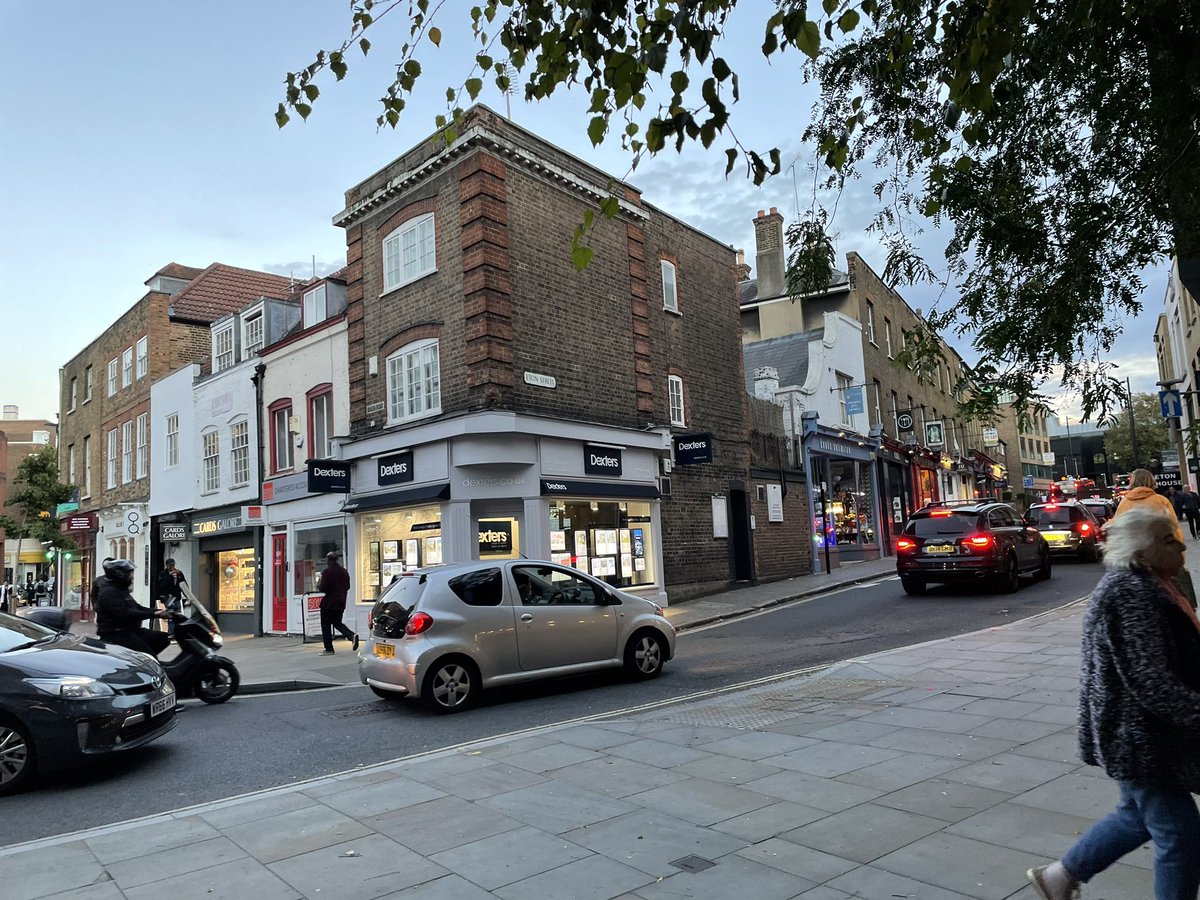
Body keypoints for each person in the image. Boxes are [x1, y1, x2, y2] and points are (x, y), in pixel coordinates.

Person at [1025, 509, 1200, 900]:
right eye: (1169, 540)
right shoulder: (1129, 592)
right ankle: (1059, 876)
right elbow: (1151, 682)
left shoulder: (1151, 582)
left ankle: (1059, 877)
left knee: (1136, 815)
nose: (1182, 545)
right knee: (1179, 835)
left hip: (1143, 733)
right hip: (1138, 737)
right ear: (1143, 549)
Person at [1111, 468, 1195, 607]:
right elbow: (1174, 531)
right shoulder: (1161, 501)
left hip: (1134, 561)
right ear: (1151, 481)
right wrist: (1181, 559)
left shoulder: (1124, 503)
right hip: (1160, 560)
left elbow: (1117, 533)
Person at [93, 559, 171, 656]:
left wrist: (158, 611)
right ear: (120, 575)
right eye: (129, 574)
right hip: (117, 634)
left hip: (131, 630)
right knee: (147, 656)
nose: (132, 577)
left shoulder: (121, 590)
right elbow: (125, 613)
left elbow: (136, 607)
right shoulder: (109, 592)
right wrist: (154, 614)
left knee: (163, 639)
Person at [317, 550, 358, 655]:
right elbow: (348, 586)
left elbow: (323, 588)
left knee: (326, 625)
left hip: (329, 603)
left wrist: (319, 585)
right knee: (337, 623)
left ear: (328, 560)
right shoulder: (344, 571)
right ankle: (351, 635)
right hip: (341, 602)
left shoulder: (326, 572)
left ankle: (329, 649)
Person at [156, 558, 187, 636]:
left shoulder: (179, 573)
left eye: (173, 565)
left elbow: (184, 584)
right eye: (171, 565)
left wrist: (187, 595)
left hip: (177, 596)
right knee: (171, 613)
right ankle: (171, 633)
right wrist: (170, 575)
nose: (172, 567)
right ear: (167, 565)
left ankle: (178, 633)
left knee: (178, 614)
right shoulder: (163, 574)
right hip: (168, 597)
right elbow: (162, 585)